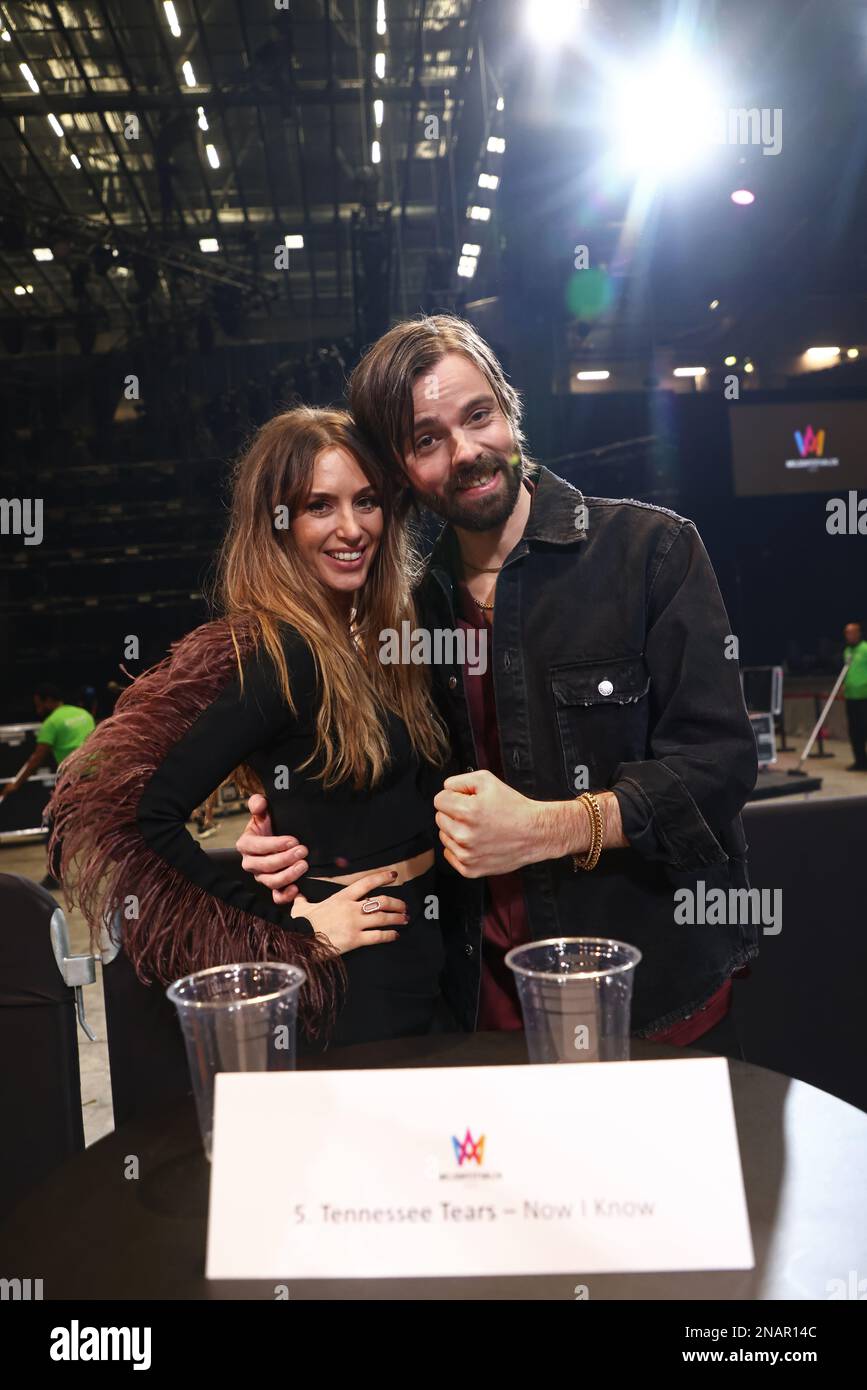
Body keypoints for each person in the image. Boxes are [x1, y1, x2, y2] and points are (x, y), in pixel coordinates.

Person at [236, 314, 759, 1058]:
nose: (466, 451)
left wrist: (548, 828)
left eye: (478, 416)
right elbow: (403, 793)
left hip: (649, 994)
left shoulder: (650, 552)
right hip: (480, 1006)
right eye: (426, 440)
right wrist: (289, 822)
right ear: (398, 470)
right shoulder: (408, 613)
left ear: (509, 409)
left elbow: (719, 767)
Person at [46, 407, 451, 1047]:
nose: (352, 528)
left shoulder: (391, 639)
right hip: (361, 976)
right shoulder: (279, 656)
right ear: (279, 525)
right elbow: (143, 816)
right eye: (321, 506)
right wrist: (292, 933)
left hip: (436, 947)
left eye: (366, 501)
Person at [0, 683, 95, 888]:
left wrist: (16, 784)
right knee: (102, 826)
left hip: (72, 778)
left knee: (55, 829)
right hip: (97, 774)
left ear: (49, 701)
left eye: (39, 704)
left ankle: (53, 877)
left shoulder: (51, 723)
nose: (38, 710)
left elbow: (36, 759)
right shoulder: (84, 714)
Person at [843, 621, 867, 771]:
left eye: (851, 632)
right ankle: (860, 761)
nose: (849, 636)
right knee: (854, 731)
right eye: (846, 633)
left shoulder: (865, 649)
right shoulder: (847, 651)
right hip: (850, 697)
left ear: (858, 633)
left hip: (864, 697)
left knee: (864, 729)